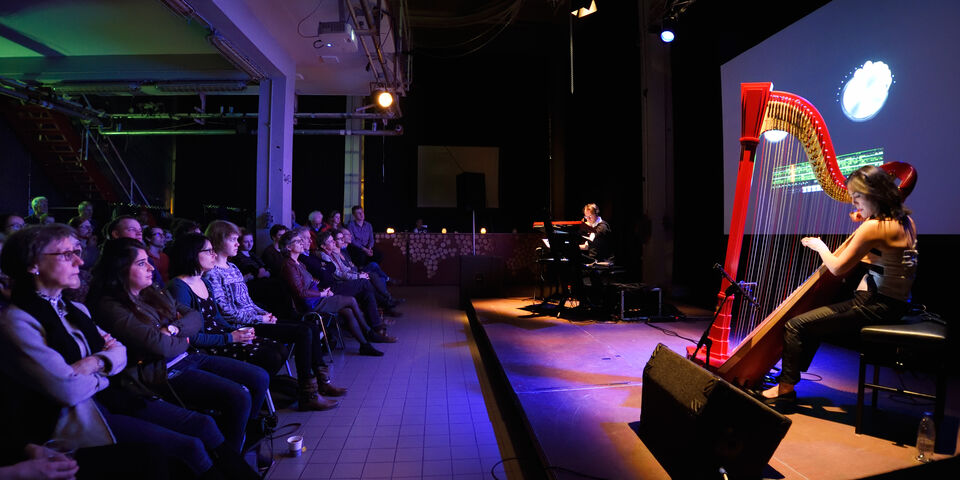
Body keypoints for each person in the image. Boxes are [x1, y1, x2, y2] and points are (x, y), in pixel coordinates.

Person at [0, 224, 251, 479]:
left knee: (203, 426)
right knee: (187, 446)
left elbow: (120, 352)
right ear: (33, 265)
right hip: (77, 419)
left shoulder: (76, 310)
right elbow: (68, 389)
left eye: (77, 251)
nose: (79, 260)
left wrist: (93, 363)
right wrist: (104, 367)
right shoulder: (18, 321)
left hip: (114, 395)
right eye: (66, 255)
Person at [90, 238, 269, 454]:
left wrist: (173, 330)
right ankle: (229, 457)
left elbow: (195, 317)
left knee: (259, 377)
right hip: (162, 371)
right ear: (119, 269)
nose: (151, 268)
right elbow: (161, 348)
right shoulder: (111, 307)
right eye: (141, 264)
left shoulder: (151, 292)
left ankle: (238, 439)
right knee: (238, 397)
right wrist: (182, 338)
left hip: (188, 356)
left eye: (149, 261)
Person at [760, 165, 918, 405]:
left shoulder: (873, 228)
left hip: (876, 305)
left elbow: (836, 268)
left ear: (874, 196)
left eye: (857, 198)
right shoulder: (904, 220)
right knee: (813, 322)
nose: (854, 204)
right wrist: (866, 216)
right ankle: (790, 377)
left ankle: (785, 390)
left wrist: (819, 245)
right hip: (897, 303)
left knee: (795, 325)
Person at [201, 221, 348, 403]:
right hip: (243, 326)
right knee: (303, 332)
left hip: (255, 319)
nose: (238, 244)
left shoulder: (233, 268)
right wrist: (259, 318)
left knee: (309, 326)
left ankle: (322, 381)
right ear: (218, 240)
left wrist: (265, 314)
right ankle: (309, 393)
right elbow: (226, 312)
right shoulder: (212, 273)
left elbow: (247, 302)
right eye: (233, 239)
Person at [278, 231, 393, 357]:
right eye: (298, 241)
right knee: (351, 301)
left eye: (301, 241)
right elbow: (300, 292)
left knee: (348, 311)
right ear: (288, 247)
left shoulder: (297, 263)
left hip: (315, 297)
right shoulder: (289, 265)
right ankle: (369, 332)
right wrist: (322, 293)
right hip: (310, 303)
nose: (302, 243)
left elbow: (310, 280)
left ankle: (365, 345)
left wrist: (316, 286)